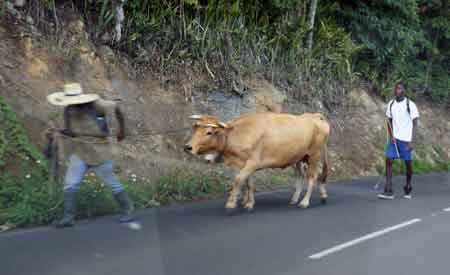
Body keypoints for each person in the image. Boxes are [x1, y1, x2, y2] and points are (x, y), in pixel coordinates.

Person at [47, 83, 134, 227]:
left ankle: (127, 209)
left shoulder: (97, 105)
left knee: (112, 182)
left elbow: (117, 109)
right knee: (70, 184)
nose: (73, 104)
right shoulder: (68, 109)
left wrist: (122, 131)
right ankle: (68, 217)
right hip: (80, 151)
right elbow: (70, 130)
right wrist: (61, 132)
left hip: (100, 151)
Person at [378, 81, 419, 200]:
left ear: (404, 91)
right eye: (396, 88)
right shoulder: (391, 104)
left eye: (400, 89)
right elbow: (389, 121)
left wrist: (412, 141)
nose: (397, 91)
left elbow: (415, 123)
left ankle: (408, 185)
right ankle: (389, 188)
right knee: (389, 160)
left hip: (406, 140)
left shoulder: (410, 104)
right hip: (394, 139)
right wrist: (391, 136)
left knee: (408, 165)